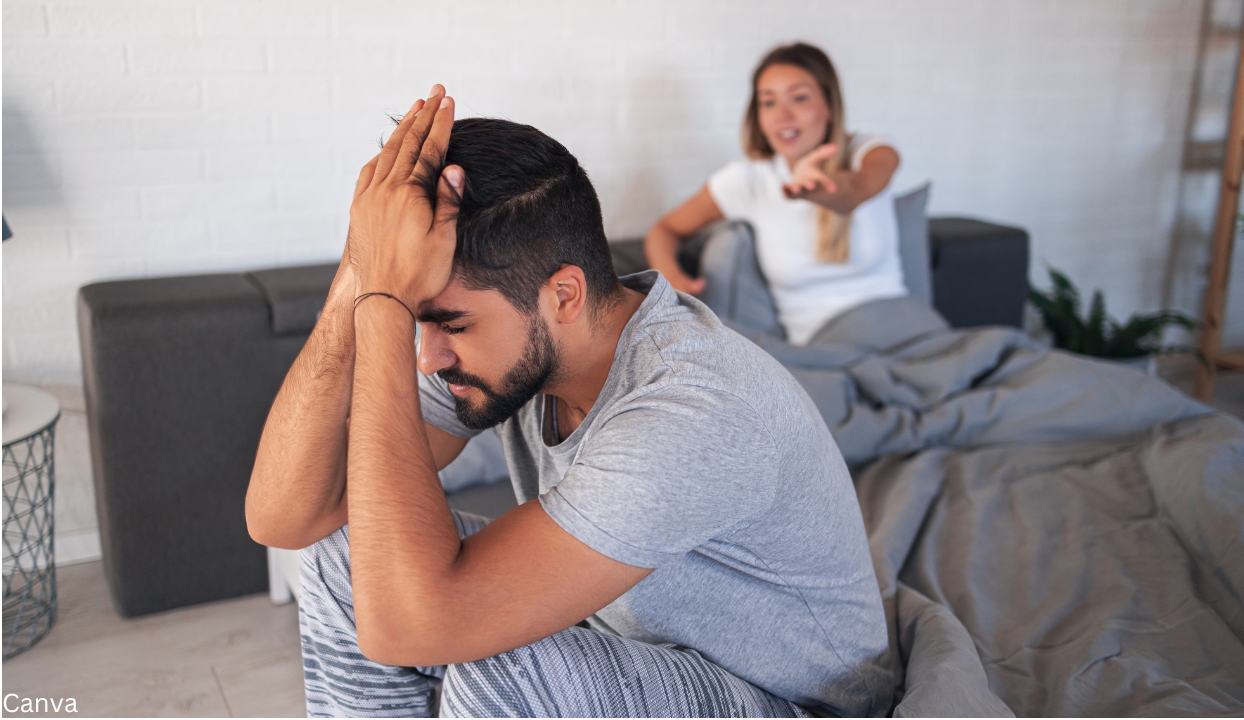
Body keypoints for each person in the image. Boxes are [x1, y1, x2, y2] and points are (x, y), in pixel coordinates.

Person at [245, 86, 891, 718]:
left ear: (564, 296)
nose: (427, 356)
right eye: (419, 323)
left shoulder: (690, 409)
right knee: (340, 557)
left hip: (789, 700)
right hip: (634, 642)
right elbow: (283, 518)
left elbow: (411, 628)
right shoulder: (513, 345)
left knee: (502, 665)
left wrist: (382, 310)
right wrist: (363, 268)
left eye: (451, 325)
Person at [646, 42, 906, 346]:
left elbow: (856, 190)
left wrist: (819, 190)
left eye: (799, 98)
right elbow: (664, 230)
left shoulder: (872, 150)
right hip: (822, 352)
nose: (783, 115)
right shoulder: (748, 179)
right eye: (768, 103)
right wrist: (673, 279)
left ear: (830, 107)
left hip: (901, 328)